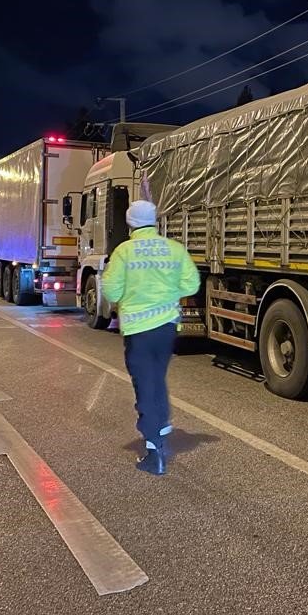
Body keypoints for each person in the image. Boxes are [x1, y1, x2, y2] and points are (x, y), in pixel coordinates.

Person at [101, 199, 200, 475]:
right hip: (167, 327)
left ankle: (154, 448)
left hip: (138, 329)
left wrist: (132, 294)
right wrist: (167, 293)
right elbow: (191, 283)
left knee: (145, 383)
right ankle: (161, 419)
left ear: (131, 222)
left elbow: (111, 292)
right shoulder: (174, 249)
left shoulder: (124, 252)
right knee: (157, 375)